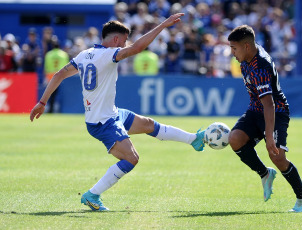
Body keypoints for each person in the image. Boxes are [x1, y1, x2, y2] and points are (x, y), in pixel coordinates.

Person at [30, 13, 205, 212]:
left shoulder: (84, 55)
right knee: (132, 158)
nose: (124, 45)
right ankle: (92, 194)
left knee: (148, 124)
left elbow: (60, 74)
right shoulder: (108, 54)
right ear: (115, 40)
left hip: (112, 114)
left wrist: (42, 102)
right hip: (102, 122)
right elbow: (138, 48)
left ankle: (194, 139)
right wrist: (163, 25)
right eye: (123, 41)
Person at [225, 25, 302, 212]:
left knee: (277, 156)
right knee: (235, 139)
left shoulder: (261, 65)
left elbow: (269, 104)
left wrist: (269, 136)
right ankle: (265, 174)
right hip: (256, 109)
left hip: (275, 111)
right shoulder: (247, 56)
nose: (232, 53)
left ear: (246, 46)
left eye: (234, 48)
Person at [44, 37, 69, 113]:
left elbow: (46, 67)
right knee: (61, 94)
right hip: (61, 76)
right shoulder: (64, 54)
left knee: (51, 94)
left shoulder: (48, 54)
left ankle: (50, 109)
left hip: (50, 76)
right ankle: (61, 110)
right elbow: (67, 66)